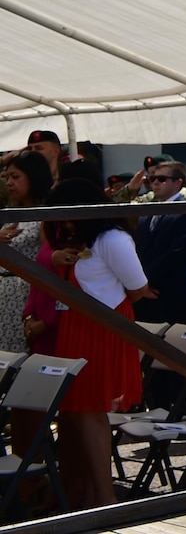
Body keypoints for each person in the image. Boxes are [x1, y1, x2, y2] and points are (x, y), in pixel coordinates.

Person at [43, 177, 152, 509]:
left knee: (90, 412)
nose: (62, 221)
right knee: (76, 412)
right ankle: (91, 492)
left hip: (100, 329)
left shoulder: (112, 239)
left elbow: (137, 287)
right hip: (76, 325)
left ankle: (105, 496)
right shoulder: (81, 237)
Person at [133, 159, 186, 415]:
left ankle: (183, 409)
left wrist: (146, 281)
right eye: (153, 179)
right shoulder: (148, 212)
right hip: (145, 296)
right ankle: (157, 407)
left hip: (173, 296)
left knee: (175, 357)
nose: (156, 183)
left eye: (162, 179)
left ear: (178, 182)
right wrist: (139, 285)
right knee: (150, 358)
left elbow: (179, 253)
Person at [0, 151, 52, 352]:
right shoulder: (12, 214)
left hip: (23, 298)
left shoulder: (45, 217)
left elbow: (48, 264)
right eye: (7, 178)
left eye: (16, 177)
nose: (9, 183)